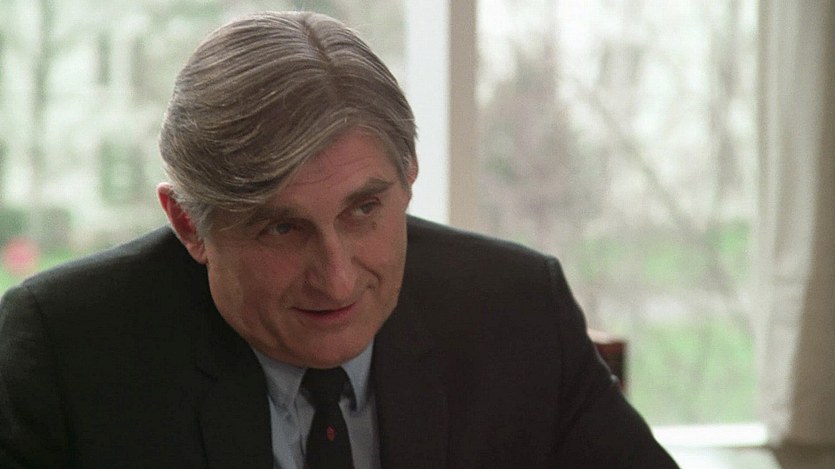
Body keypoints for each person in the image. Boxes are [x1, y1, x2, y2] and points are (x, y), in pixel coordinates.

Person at [0, 11, 679, 469]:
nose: (337, 278)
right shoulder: (67, 353)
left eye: (363, 210)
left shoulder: (517, 311)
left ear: (408, 178)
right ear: (188, 224)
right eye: (282, 227)